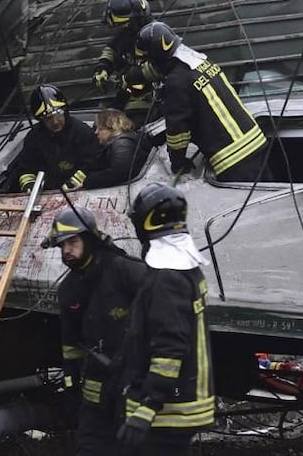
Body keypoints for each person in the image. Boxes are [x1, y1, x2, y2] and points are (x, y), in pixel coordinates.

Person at [118, 182, 215, 455]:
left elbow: (170, 347)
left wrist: (148, 406)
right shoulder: (186, 267)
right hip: (182, 403)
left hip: (169, 410)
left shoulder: (166, 277)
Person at [42, 206, 148, 456]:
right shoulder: (69, 289)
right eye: (62, 245)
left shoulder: (124, 270)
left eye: (73, 242)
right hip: (96, 387)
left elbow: (162, 314)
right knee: (89, 447)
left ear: (89, 239)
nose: (67, 250)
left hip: (133, 383)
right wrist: (70, 386)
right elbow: (70, 345)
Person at [134, 21, 270, 182]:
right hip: (256, 142)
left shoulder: (176, 81)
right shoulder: (200, 63)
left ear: (157, 58)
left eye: (148, 60)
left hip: (233, 159)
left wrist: (178, 163)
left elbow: (178, 130)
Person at [14, 84, 101, 193]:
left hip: (78, 191)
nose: (55, 122)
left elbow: (94, 162)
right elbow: (26, 167)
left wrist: (74, 182)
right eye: (48, 118)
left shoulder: (82, 133)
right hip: (45, 194)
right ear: (41, 120)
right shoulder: (34, 137)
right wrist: (29, 185)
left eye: (58, 114)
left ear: (65, 111)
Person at [92, 0, 159, 128]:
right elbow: (112, 48)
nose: (119, 29)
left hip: (152, 98)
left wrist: (131, 77)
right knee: (101, 126)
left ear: (134, 20)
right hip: (127, 93)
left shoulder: (155, 35)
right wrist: (103, 67)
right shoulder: (128, 33)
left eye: (122, 24)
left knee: (131, 131)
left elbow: (162, 67)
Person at [63, 108, 153, 190]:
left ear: (112, 127)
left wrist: (89, 181)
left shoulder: (122, 144)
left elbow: (120, 171)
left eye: (100, 129)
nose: (96, 132)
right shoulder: (119, 143)